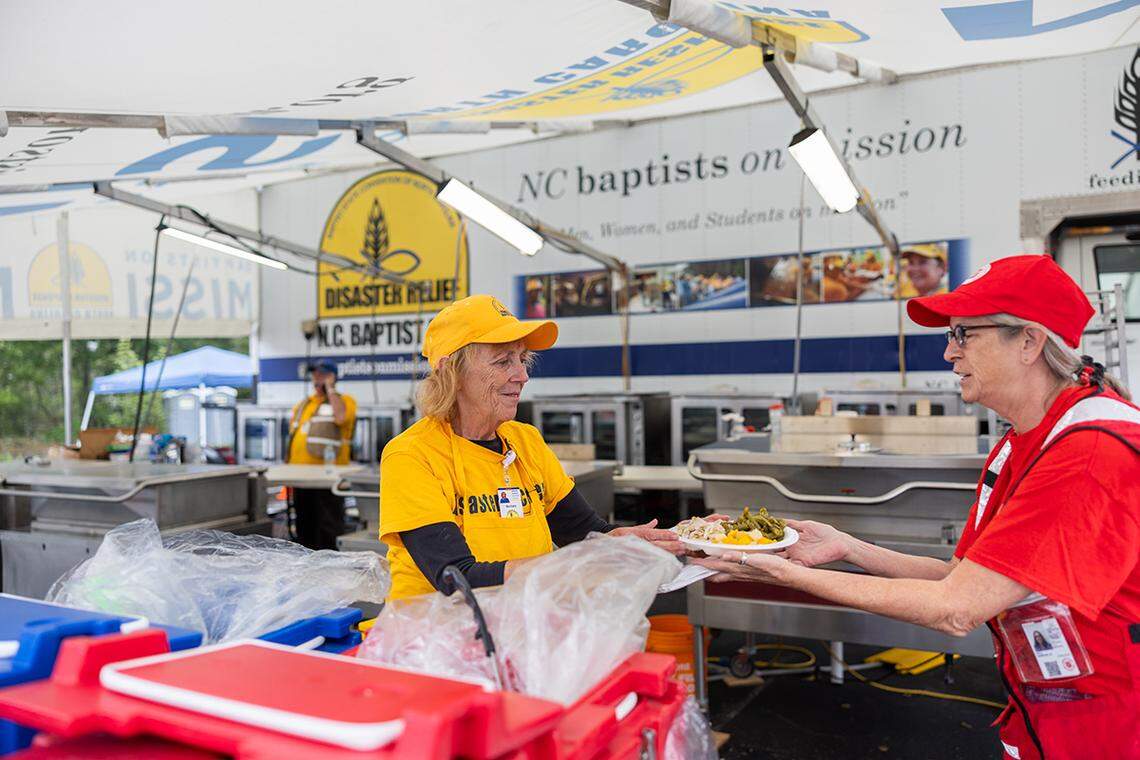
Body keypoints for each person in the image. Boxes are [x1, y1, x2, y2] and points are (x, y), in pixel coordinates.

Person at [693, 255, 1140, 760]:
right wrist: (846, 547)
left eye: (964, 334)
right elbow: (957, 576)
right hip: (1048, 701)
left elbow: (955, 610)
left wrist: (780, 572)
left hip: (1109, 720)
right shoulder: (1021, 442)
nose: (949, 353)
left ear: (1030, 342)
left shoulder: (1089, 451)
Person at [379, 294, 683, 601]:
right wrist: (574, 566)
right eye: (503, 361)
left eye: (522, 359)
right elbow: (456, 577)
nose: (522, 376)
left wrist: (668, 541)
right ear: (451, 373)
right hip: (432, 637)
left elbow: (585, 533)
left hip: (520, 625)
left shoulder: (525, 441)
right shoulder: (412, 455)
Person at [285, 359, 357, 550]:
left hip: (327, 479)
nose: (317, 377)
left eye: (322, 374)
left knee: (328, 528)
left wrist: (330, 389)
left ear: (332, 376)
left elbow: (341, 417)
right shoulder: (303, 404)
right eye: (315, 374)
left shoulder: (345, 401)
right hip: (300, 478)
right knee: (304, 528)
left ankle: (331, 568)